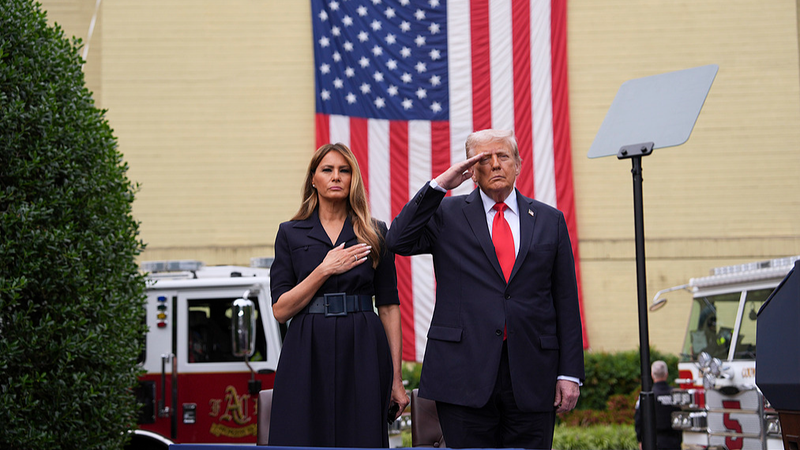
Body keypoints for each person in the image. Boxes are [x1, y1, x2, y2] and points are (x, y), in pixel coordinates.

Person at [385, 129, 585, 449]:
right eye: (483, 159)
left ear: (518, 164)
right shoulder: (446, 214)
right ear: (471, 171)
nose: (495, 164)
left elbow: (566, 302)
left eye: (503, 156)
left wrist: (570, 374)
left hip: (533, 373)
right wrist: (440, 185)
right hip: (463, 373)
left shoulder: (550, 220)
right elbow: (397, 240)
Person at [268, 143, 409, 447]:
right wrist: (324, 269)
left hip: (362, 344)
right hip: (307, 347)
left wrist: (396, 379)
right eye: (327, 170)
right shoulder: (290, 232)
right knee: (303, 432)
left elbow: (388, 306)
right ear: (313, 179)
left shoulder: (375, 232)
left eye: (344, 171)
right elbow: (280, 310)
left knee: (361, 433)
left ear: (352, 179)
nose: (336, 177)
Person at [635, 360, 682, 450]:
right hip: (674, 442)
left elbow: (639, 419)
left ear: (652, 375)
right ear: (666, 374)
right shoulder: (675, 395)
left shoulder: (647, 397)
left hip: (654, 441)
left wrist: (640, 439)